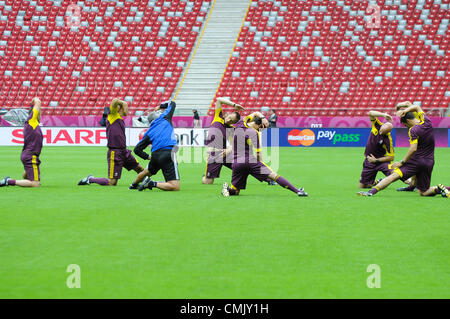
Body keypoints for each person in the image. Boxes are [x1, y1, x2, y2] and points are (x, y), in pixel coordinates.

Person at [358, 102, 449, 198]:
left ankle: (371, 192)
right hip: (429, 162)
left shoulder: (413, 130)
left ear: (408, 121)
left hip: (416, 161)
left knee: (394, 176)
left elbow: (413, 148)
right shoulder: (427, 121)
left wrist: (402, 162)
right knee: (423, 192)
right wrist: (405, 109)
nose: (406, 127)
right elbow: (417, 107)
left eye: (405, 125)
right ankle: (440, 189)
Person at [221, 114, 308, 197]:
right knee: (274, 175)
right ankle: (298, 191)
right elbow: (258, 152)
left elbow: (255, 113)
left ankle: (227, 189)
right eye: (261, 128)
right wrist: (259, 163)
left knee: (235, 191)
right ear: (259, 126)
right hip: (249, 161)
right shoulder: (254, 133)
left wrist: (263, 118)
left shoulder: (241, 123)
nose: (260, 130)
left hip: (236, 163)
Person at [78, 98, 144, 186]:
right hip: (115, 152)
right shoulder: (112, 115)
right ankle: (90, 179)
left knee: (140, 169)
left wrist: (123, 104)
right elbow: (114, 101)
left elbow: (125, 111)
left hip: (124, 151)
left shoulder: (118, 116)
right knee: (112, 182)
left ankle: (146, 183)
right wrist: (121, 102)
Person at [130, 100, 180, 191]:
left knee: (146, 172)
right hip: (168, 153)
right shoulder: (164, 118)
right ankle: (151, 183)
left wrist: (148, 157)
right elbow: (172, 103)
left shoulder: (149, 132)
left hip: (155, 155)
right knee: (175, 186)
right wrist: (160, 106)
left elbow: (137, 150)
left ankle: (133, 185)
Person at [0, 97, 43, 188]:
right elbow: (38, 101)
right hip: (31, 156)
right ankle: (8, 181)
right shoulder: (32, 120)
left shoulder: (31, 123)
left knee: (28, 175)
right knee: (35, 184)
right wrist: (33, 101)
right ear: (37, 114)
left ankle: (28, 174)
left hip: (28, 155)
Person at [202, 97, 244, 184]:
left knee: (243, 166)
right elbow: (219, 100)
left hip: (225, 153)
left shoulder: (231, 129)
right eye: (229, 117)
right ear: (227, 114)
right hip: (214, 154)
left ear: (234, 122)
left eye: (232, 120)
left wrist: (229, 150)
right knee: (208, 182)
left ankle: (268, 179)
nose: (229, 120)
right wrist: (234, 105)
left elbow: (234, 144)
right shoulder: (218, 118)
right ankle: (205, 176)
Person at [358, 110, 394, 188]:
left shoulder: (388, 139)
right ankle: (377, 182)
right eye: (381, 131)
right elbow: (371, 113)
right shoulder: (377, 125)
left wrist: (377, 160)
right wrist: (383, 115)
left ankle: (412, 184)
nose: (380, 133)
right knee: (363, 186)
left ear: (388, 132)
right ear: (382, 126)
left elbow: (391, 157)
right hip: (369, 160)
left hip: (381, 161)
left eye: (383, 133)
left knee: (396, 173)